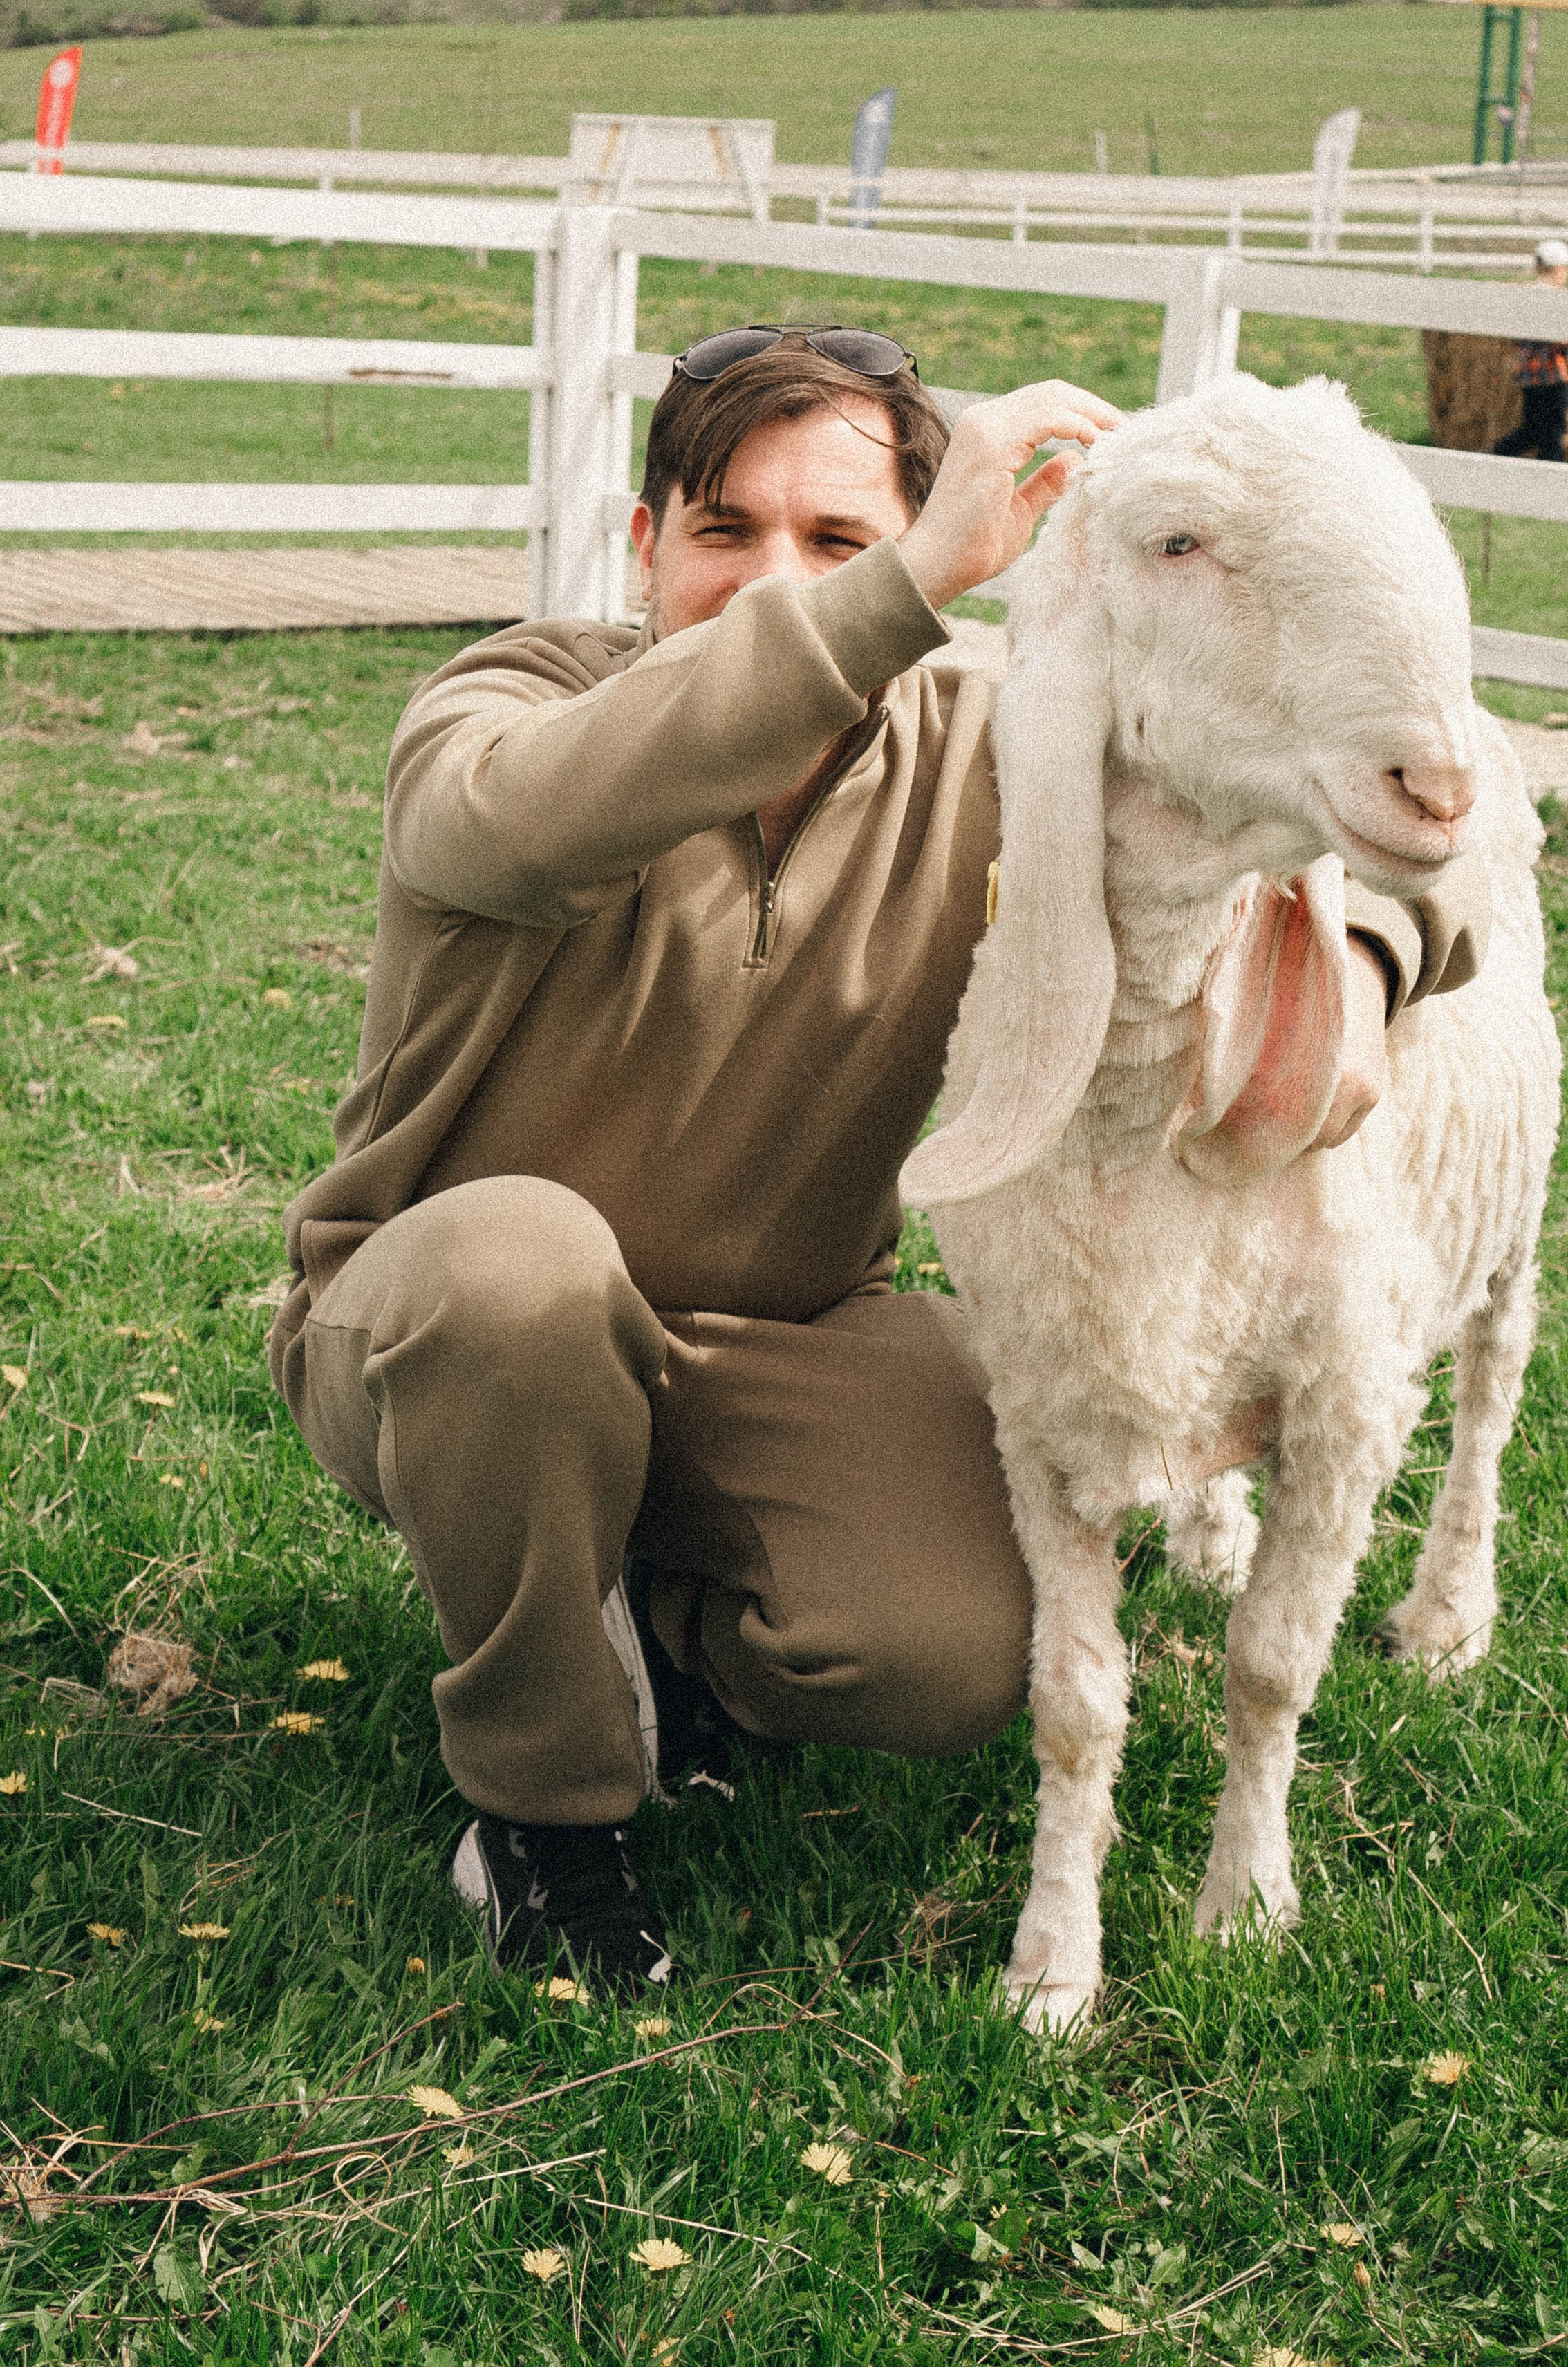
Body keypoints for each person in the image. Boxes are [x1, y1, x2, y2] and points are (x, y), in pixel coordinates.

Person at [269, 326, 1490, 1990]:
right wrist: (892, 588)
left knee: (952, 1648)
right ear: (644, 544)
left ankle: (657, 1618)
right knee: (518, 1273)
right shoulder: (510, 701)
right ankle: (543, 1810)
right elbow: (504, 826)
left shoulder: (986, 740)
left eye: (835, 539)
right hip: (438, 1330)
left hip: (778, 1333)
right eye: (726, 529)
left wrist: (1365, 960)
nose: (777, 579)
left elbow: (1435, 824)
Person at [1494, 237, 1568, 462]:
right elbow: (1565, 334)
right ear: (1556, 268)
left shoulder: (1526, 296)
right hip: (1552, 375)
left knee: (1537, 430)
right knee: (1553, 434)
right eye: (1566, 269)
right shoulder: (1554, 298)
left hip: (1530, 376)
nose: (1567, 275)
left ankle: (1502, 454)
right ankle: (1502, 454)